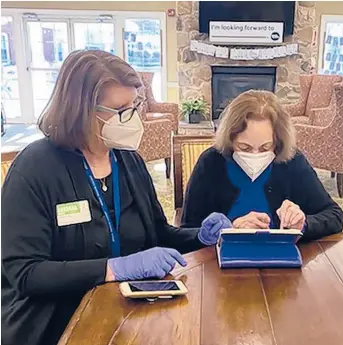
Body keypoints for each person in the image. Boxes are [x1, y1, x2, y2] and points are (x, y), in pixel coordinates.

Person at [1, 50, 231, 345]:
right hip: (57, 323)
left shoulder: (127, 160)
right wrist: (113, 268)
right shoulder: (35, 168)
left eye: (135, 105)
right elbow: (26, 273)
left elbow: (158, 233)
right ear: (81, 109)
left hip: (130, 313)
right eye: (121, 109)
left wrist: (201, 236)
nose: (133, 118)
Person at [181, 90, 343, 239]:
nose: (255, 155)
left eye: (265, 147)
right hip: (219, 264)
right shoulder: (210, 163)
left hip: (281, 262)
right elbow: (187, 231)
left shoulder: (291, 161)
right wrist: (229, 230)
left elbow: (335, 215)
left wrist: (302, 224)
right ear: (230, 140)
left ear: (278, 142)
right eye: (244, 147)